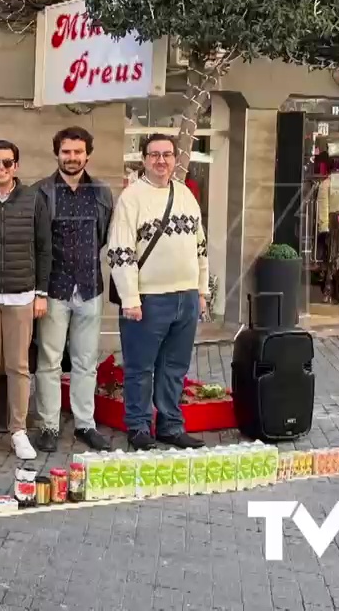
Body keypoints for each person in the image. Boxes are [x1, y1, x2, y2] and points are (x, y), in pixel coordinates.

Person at [106, 133, 209, 451]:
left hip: (186, 296)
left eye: (167, 155)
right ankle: (137, 426)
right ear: (144, 159)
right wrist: (130, 297)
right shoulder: (132, 198)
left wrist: (202, 291)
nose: (161, 161)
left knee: (175, 367)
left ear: (176, 159)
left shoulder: (187, 196)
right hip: (148, 299)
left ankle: (170, 425)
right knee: (140, 367)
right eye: (154, 155)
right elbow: (120, 250)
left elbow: (200, 246)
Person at [33, 127, 114, 452]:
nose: (72, 157)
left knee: (85, 361)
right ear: (57, 154)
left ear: (88, 155)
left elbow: (104, 236)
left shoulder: (101, 193)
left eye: (78, 152)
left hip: (90, 286)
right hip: (54, 288)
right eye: (66, 152)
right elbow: (36, 243)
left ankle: (85, 424)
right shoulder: (42, 192)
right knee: (49, 361)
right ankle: (49, 426)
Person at [0, 140, 49, 462]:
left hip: (21, 296)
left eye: (6, 163)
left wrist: (41, 293)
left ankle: (18, 430)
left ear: (16, 166)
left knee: (18, 366)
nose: (0, 169)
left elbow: (44, 248)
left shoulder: (33, 199)